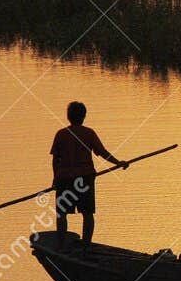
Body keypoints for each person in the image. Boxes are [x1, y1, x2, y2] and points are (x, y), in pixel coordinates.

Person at [51, 101, 126, 246]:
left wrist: (55, 179)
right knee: (87, 213)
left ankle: (61, 245)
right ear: (84, 116)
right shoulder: (89, 133)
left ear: (68, 116)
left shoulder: (61, 134)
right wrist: (118, 163)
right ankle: (86, 245)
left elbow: (55, 160)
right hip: (85, 178)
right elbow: (103, 153)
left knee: (62, 214)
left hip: (65, 178)